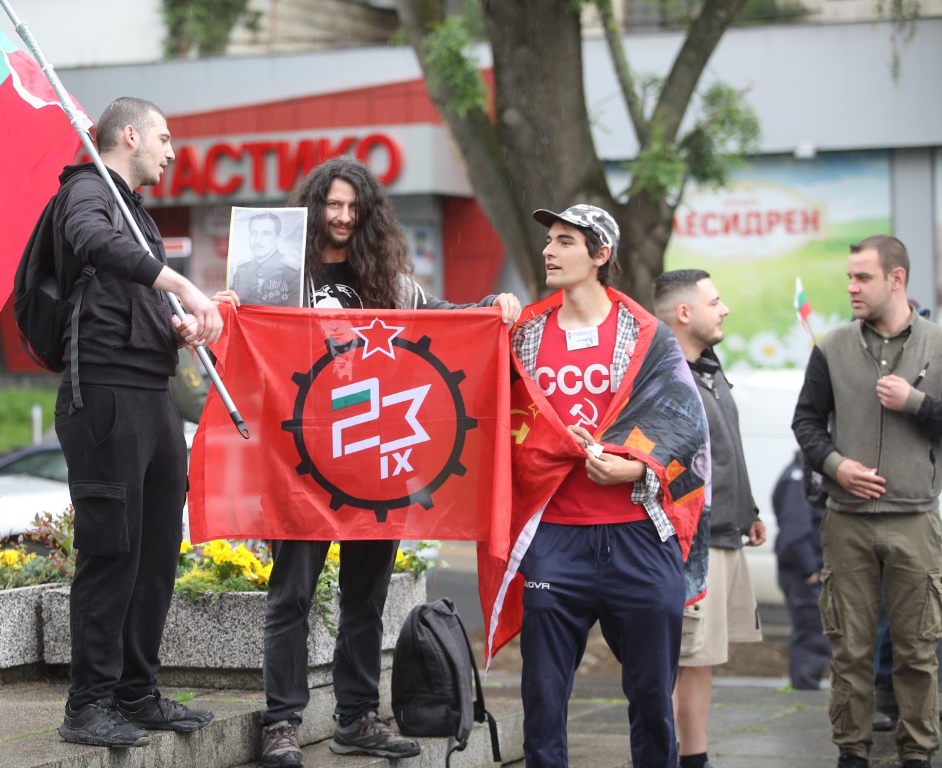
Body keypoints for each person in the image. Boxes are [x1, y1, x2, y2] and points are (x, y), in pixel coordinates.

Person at [216, 155, 521, 768]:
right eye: (332, 205)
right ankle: (282, 723)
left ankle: (357, 718)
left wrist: (491, 307)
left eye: (353, 207)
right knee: (291, 595)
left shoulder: (391, 282)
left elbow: (438, 320)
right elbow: (243, 350)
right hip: (299, 461)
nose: (342, 217)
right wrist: (229, 310)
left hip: (373, 459)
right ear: (312, 208)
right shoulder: (276, 277)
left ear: (369, 214)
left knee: (366, 597)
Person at [49, 97, 223, 748]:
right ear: (129, 135)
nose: (172, 152)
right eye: (165, 138)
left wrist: (174, 327)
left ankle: (135, 692)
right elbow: (90, 243)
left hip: (150, 392)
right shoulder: (88, 192)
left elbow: (125, 294)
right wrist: (182, 287)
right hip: (104, 394)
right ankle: (87, 704)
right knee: (112, 550)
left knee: (155, 555)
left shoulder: (138, 216)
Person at [510, 204, 709, 768]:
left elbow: (684, 424)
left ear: (601, 256)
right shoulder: (524, 331)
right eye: (549, 240)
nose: (550, 250)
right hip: (555, 539)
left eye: (566, 241)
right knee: (543, 701)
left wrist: (639, 468)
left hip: (639, 539)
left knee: (651, 701)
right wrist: (491, 310)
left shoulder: (649, 337)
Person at [792, 234, 942, 768]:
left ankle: (919, 754)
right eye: (850, 277)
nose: (851, 287)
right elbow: (806, 423)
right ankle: (851, 753)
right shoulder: (829, 347)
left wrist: (917, 403)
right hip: (846, 521)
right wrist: (837, 466)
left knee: (917, 652)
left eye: (863, 277)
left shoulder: (938, 344)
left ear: (896, 279)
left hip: (915, 521)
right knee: (849, 650)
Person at [652, 269, 766, 768]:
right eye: (714, 301)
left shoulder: (709, 369)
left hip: (727, 532)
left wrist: (749, 511)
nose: (723, 310)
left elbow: (723, 452)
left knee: (704, 659)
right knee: (685, 659)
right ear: (684, 313)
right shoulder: (664, 377)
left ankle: (692, 755)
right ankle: (684, 760)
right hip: (692, 542)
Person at [771, 451, 833, 692]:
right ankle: (805, 693)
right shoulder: (799, 477)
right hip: (804, 572)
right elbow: (794, 532)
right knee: (812, 633)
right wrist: (810, 570)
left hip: (807, 569)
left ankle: (804, 687)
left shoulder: (803, 473)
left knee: (812, 631)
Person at [230, 211, 302, 307]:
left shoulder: (292, 272)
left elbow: (294, 315)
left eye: (265, 234)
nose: (257, 240)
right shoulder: (242, 269)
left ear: (277, 239)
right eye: (253, 233)